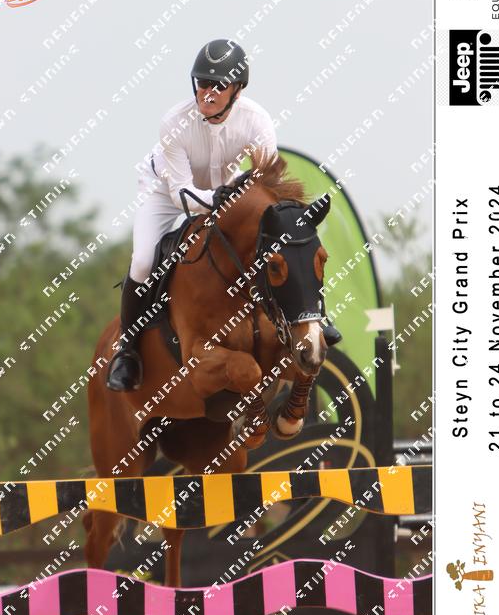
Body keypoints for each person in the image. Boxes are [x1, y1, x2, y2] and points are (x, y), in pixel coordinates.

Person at [107, 39, 341, 392]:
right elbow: (182, 195)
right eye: (203, 83)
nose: (209, 92)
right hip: (166, 191)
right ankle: (127, 350)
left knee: (281, 244)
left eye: (219, 85)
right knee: (141, 262)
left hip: (225, 187)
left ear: (237, 90)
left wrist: (250, 200)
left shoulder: (257, 121)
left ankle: (312, 316)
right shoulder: (174, 122)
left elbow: (268, 182)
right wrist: (220, 199)